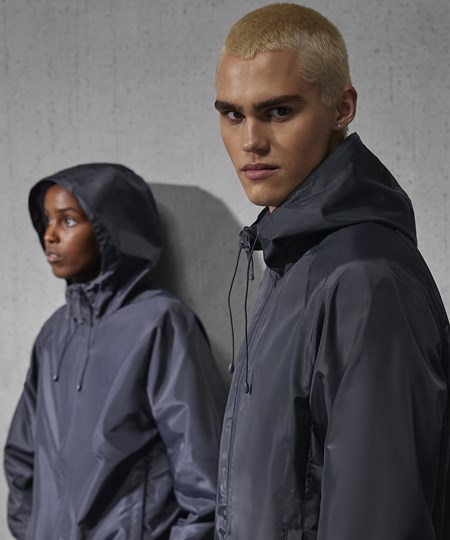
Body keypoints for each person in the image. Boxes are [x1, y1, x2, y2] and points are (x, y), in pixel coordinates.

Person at [214, 4, 450, 540]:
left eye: (278, 111)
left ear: (342, 107)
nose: (250, 140)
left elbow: (378, 521)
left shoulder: (364, 279)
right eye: (232, 114)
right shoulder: (292, 259)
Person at [4, 163, 227, 539]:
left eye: (68, 220)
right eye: (47, 219)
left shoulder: (161, 323)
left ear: (112, 229)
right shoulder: (54, 333)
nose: (49, 235)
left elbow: (204, 478)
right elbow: (21, 456)